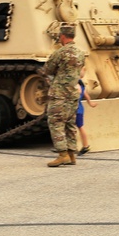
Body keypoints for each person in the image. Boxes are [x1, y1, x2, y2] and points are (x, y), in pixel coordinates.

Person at [41, 23, 85, 167]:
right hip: (73, 93)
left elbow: (47, 69)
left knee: (56, 122)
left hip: (59, 93)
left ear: (62, 36)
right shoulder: (80, 53)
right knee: (70, 123)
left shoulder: (60, 53)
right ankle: (72, 155)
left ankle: (62, 154)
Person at [76, 74, 97, 155]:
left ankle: (85, 145)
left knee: (77, 127)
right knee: (79, 127)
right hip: (79, 109)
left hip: (76, 109)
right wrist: (90, 103)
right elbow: (86, 96)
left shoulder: (76, 86)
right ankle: (85, 145)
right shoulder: (81, 86)